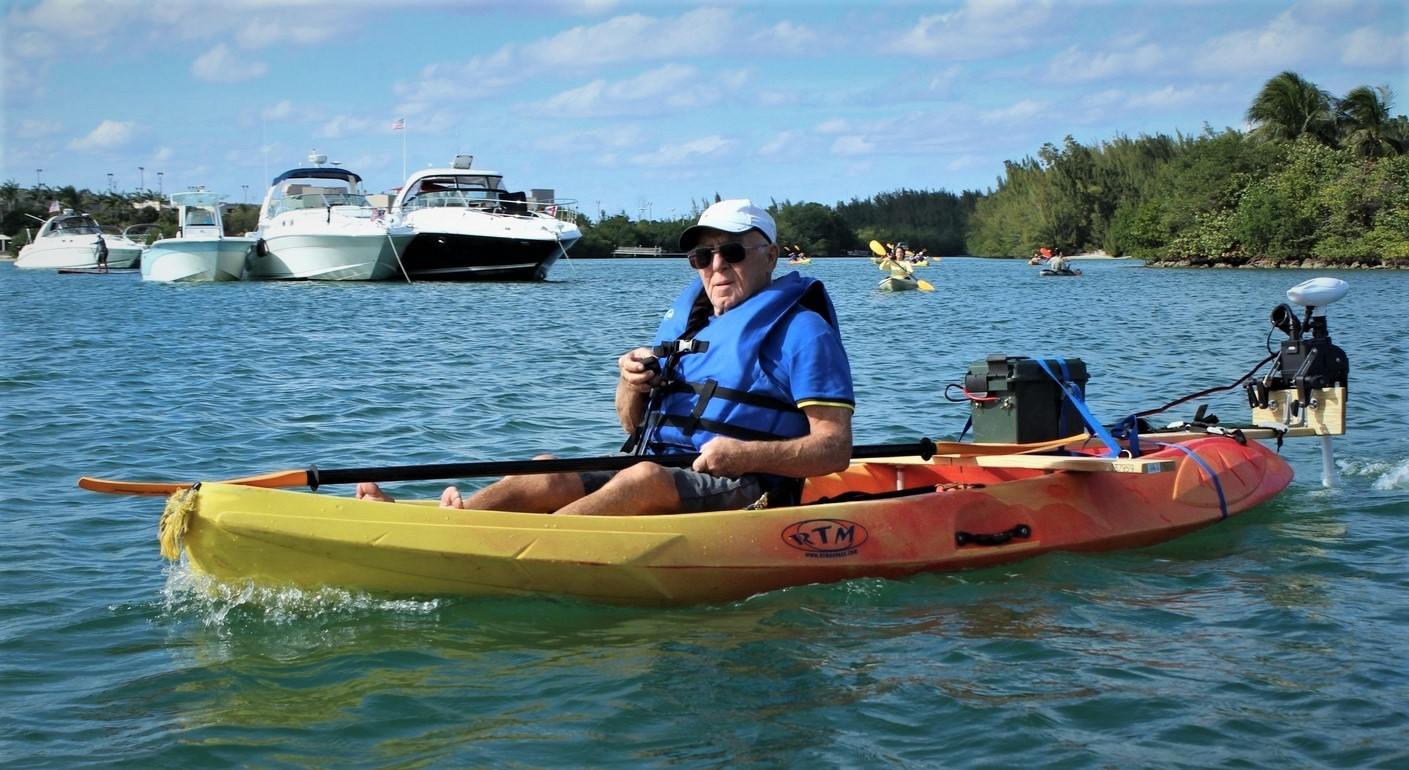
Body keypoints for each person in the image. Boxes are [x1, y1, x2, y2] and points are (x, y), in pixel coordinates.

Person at [357, 199, 855, 515]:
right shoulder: (695, 323)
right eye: (704, 257)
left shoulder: (804, 332)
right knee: (546, 469)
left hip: (749, 486)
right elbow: (629, 426)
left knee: (643, 478)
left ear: (770, 257)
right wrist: (629, 384)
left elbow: (834, 450)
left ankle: (525, 550)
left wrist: (747, 455)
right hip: (658, 467)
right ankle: (444, 522)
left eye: (733, 253)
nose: (716, 267)